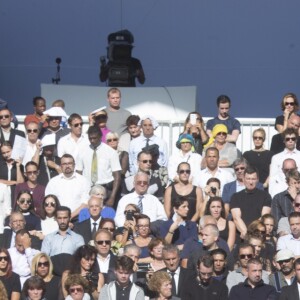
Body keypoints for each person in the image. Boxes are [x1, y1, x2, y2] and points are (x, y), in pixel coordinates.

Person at [77, 125, 121, 207]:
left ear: (101, 136)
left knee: (106, 216)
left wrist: (112, 196)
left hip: (105, 190)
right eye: (90, 138)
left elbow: (117, 175)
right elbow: (78, 173)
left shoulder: (110, 152)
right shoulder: (82, 151)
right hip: (88, 189)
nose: (92, 141)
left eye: (95, 138)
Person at [230, 167, 272, 239]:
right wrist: (246, 234)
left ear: (257, 180)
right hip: (242, 236)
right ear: (243, 179)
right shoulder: (235, 197)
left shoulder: (266, 196)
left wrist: (253, 234)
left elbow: (264, 217)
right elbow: (236, 218)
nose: (251, 182)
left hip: (259, 235)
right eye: (248, 179)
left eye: (253, 179)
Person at [45, 154, 90, 220]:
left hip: (79, 219)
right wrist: (63, 218)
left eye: (70, 163)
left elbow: (86, 203)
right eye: (64, 164)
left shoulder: (83, 181)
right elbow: (49, 203)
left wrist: (69, 217)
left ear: (74, 165)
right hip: (58, 219)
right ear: (61, 166)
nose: (67, 166)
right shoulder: (53, 182)